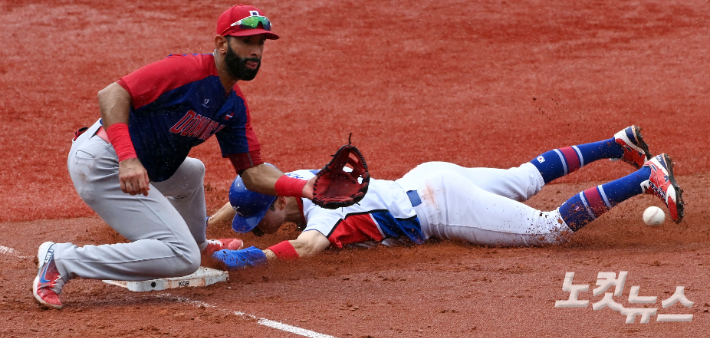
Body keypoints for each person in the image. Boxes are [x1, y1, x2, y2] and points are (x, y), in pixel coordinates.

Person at [33, 5, 319, 309]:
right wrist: (128, 158)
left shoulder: (233, 104)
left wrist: (305, 188)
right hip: (104, 162)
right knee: (182, 258)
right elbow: (112, 94)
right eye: (246, 41)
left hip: (141, 165)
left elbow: (252, 173)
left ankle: (200, 245)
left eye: (260, 43)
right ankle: (63, 260)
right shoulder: (187, 71)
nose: (255, 51)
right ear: (222, 44)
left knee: (192, 172)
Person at [207, 126, 684, 269]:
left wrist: (256, 255)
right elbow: (252, 185)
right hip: (432, 176)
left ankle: (646, 176)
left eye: (260, 222)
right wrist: (210, 225)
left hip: (441, 209)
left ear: (279, 203)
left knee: (548, 231)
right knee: (523, 177)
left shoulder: (325, 215)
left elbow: (308, 247)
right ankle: (616, 143)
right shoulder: (302, 180)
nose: (262, 227)